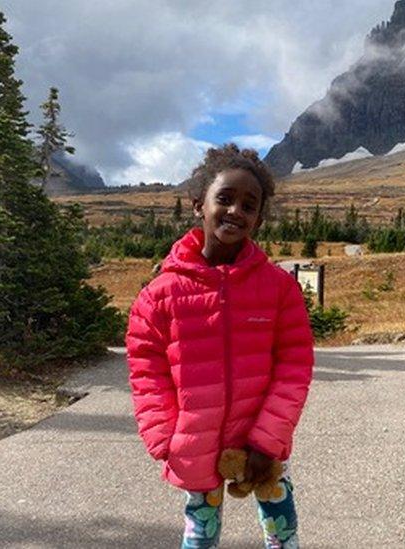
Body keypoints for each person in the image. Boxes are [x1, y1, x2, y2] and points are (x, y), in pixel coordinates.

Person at [126, 143, 314, 548]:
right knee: (199, 536)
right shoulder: (158, 295)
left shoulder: (279, 289)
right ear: (198, 205)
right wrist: (164, 438)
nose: (235, 211)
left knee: (283, 534)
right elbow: (147, 372)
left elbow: (294, 366)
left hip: (264, 442)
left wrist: (268, 439)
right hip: (197, 441)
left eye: (249, 205)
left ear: (259, 218)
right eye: (224, 199)